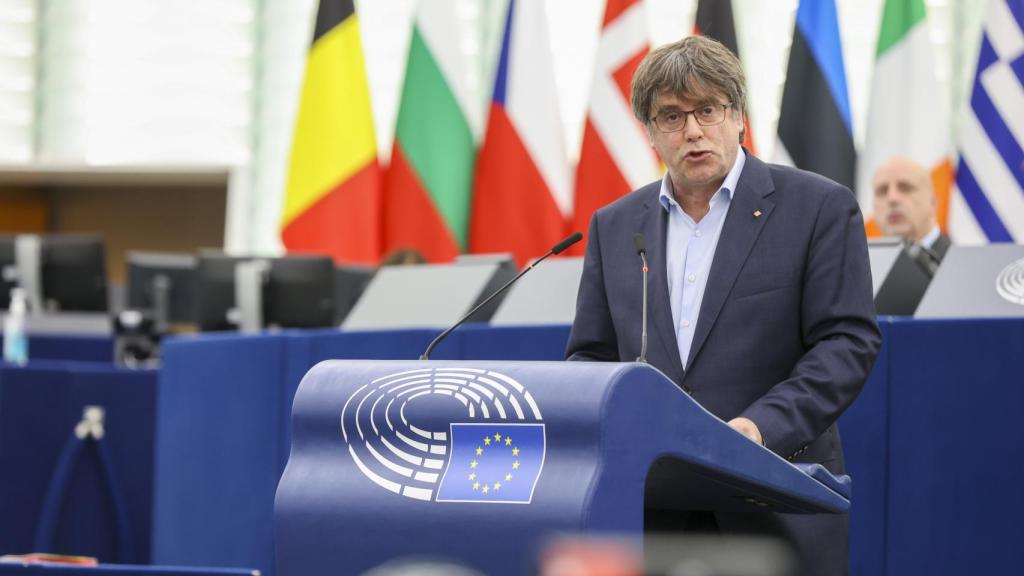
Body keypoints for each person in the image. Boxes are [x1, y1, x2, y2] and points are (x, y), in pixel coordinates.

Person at [565, 36, 881, 576]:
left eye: (707, 110)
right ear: (649, 132)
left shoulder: (818, 208)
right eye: (671, 116)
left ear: (738, 117)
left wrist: (758, 429)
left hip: (775, 501)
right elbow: (589, 359)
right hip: (651, 514)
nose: (692, 130)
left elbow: (846, 343)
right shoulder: (615, 225)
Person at [872, 156, 951, 262]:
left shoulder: (963, 265)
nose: (892, 199)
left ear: (933, 202)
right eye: (882, 191)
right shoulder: (861, 268)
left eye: (905, 188)